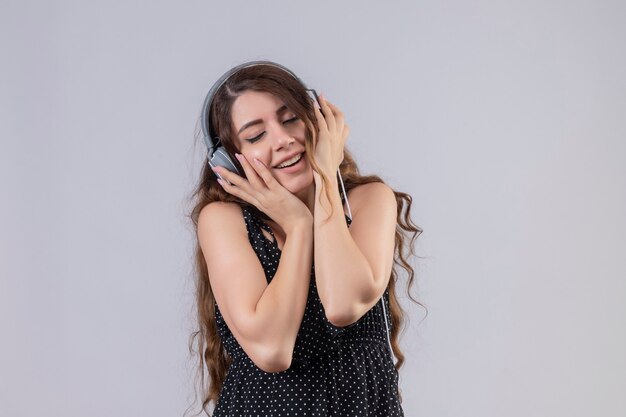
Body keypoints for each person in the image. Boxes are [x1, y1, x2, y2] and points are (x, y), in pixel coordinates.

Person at [185, 60, 423, 417]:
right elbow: (272, 351)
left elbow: (343, 304)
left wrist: (327, 178)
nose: (282, 140)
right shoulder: (224, 221)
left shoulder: (369, 201)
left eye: (290, 118)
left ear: (318, 122)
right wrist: (298, 227)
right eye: (255, 135)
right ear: (229, 162)